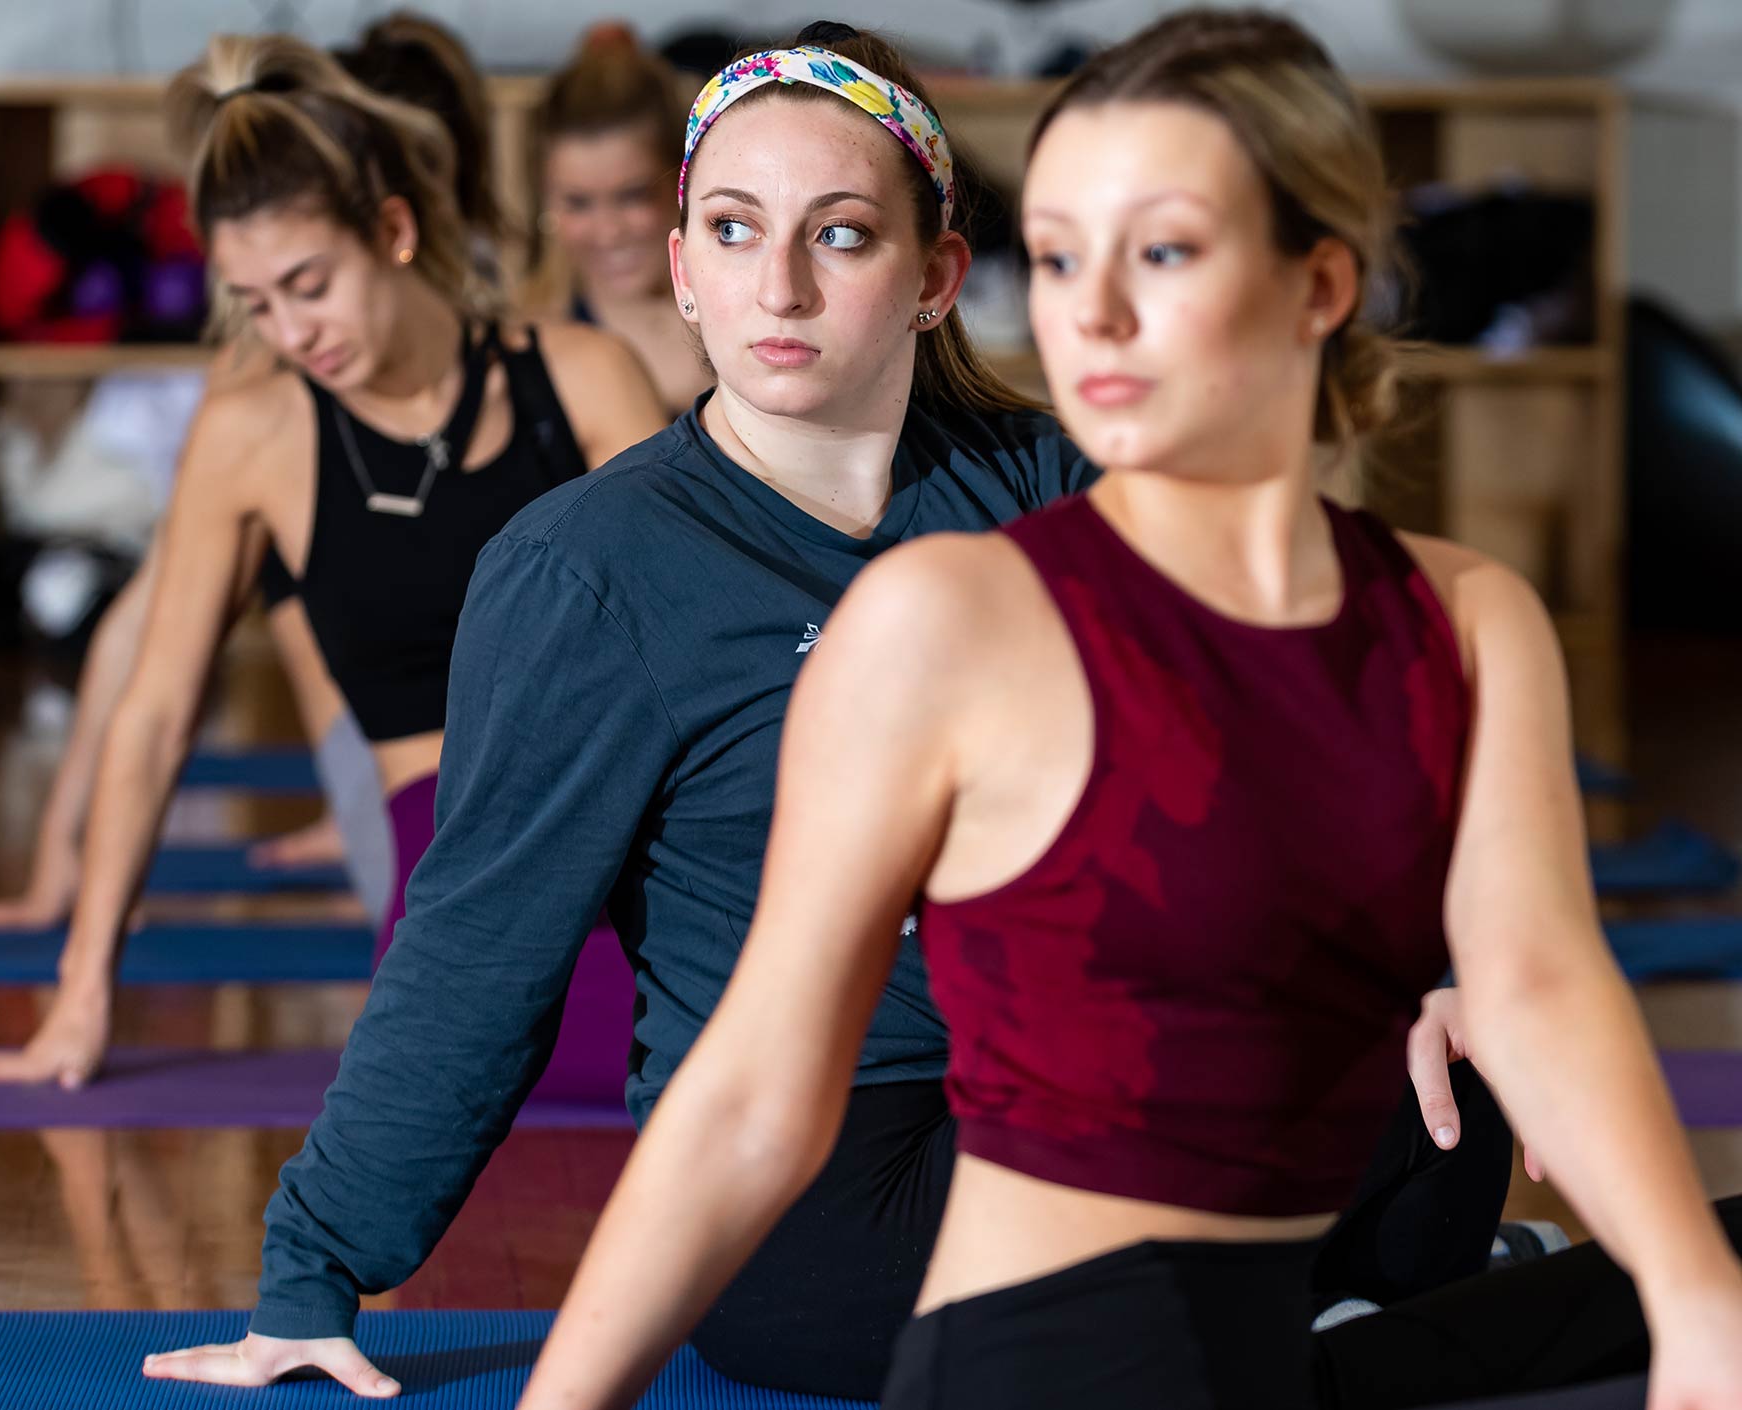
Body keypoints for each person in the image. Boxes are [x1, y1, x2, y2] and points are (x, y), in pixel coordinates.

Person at [139, 23, 1512, 1402]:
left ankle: (1293, 1302)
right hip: (820, 1168)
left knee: (1449, 1093)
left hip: (1082, 1072)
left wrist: (1424, 961)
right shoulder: (590, 572)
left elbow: (1295, 742)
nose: (777, 285)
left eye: (839, 236)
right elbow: (475, 945)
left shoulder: (1057, 483)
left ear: (935, 276)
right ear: (682, 270)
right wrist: (313, 1267)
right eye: (732, 232)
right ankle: (1306, 1305)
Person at [503, 12, 1742, 1409]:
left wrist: (1699, 1309)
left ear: (1316, 284)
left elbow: (1541, 989)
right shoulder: (940, 619)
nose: (1084, 315)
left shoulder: (1469, 618)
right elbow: (746, 1097)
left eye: (1158, 252)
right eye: (1059, 256)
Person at [0, 28, 663, 1092]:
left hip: (622, 838)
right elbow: (157, 711)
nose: (291, 330)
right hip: (455, 874)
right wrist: (78, 1002)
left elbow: (684, 634)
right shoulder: (255, 435)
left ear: (393, 230)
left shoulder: (583, 376)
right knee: (530, 1068)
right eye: (256, 302)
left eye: (309, 284)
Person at [0, 10, 519, 938]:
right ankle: (364, 803)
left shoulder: (521, 346)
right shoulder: (274, 371)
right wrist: (62, 854)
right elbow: (149, 649)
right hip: (397, 759)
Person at [522, 23, 711, 415]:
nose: (608, 232)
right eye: (578, 203)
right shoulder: (528, 345)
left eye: (632, 196)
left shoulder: (752, 314)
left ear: (684, 178)